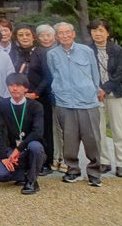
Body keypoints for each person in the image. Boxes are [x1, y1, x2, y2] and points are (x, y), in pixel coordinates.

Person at [46, 22, 103, 186]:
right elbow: (53, 74)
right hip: (65, 101)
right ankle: (72, 170)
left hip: (87, 101)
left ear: (73, 34)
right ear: (56, 36)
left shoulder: (86, 51)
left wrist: (92, 89)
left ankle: (94, 172)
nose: (64, 36)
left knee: (92, 138)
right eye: (60, 33)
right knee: (69, 139)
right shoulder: (52, 54)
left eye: (67, 32)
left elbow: (94, 73)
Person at [0, 73, 46, 194]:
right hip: (13, 150)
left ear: (26, 88)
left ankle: (32, 182)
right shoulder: (2, 105)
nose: (14, 88)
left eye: (18, 85)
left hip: (31, 147)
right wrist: (3, 157)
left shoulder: (36, 106)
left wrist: (19, 149)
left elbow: (37, 132)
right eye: (11, 85)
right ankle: (27, 173)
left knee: (35, 146)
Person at [88, 18, 122, 178]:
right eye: (94, 30)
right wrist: (96, 88)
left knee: (118, 129)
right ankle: (104, 161)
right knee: (99, 130)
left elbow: (119, 73)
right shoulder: (88, 50)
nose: (98, 34)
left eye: (101, 30)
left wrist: (105, 88)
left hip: (115, 93)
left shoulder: (117, 50)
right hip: (95, 94)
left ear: (107, 33)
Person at [28, 23, 59, 175]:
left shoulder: (51, 52)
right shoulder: (37, 51)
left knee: (46, 130)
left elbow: (48, 77)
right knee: (35, 128)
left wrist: (37, 92)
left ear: (54, 37)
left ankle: (47, 162)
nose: (45, 38)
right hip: (32, 96)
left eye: (48, 35)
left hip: (44, 96)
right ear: (37, 38)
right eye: (42, 35)